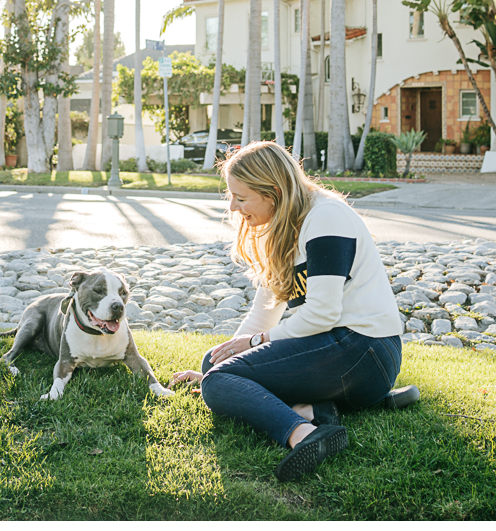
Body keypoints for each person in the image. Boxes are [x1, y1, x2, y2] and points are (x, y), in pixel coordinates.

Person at [170, 140, 418, 482]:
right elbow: (263, 313)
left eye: (241, 198)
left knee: (219, 380)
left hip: (365, 350)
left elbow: (322, 314)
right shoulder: (285, 225)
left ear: (272, 191)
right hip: (340, 353)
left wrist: (242, 358)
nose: (233, 207)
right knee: (213, 365)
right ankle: (316, 410)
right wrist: (227, 360)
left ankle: (305, 434)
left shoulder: (326, 216)